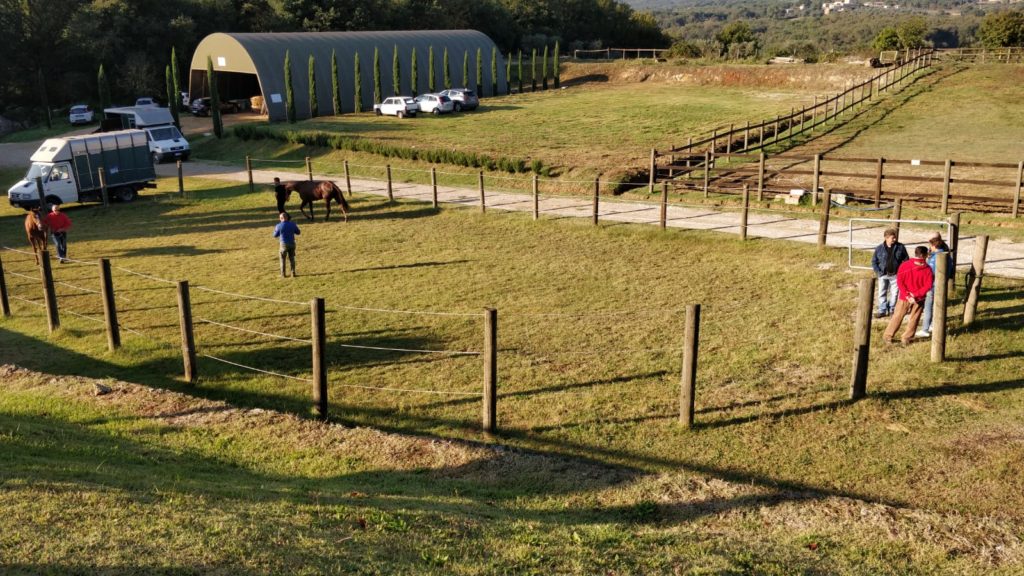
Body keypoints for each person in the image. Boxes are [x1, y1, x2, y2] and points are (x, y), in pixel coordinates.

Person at [883, 246, 934, 346]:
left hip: (905, 297)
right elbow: (928, 285)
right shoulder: (928, 269)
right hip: (918, 298)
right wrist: (914, 295)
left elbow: (900, 281)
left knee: (897, 316)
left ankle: (888, 336)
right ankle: (906, 338)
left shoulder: (904, 265)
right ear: (924, 255)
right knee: (913, 318)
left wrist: (907, 295)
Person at [916, 231, 953, 338]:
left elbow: (930, 273)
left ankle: (925, 329)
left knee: (928, 308)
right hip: (940, 285)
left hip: (932, 286)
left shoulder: (936, 257)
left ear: (933, 244)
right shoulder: (945, 254)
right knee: (936, 307)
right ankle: (933, 325)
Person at [870, 228, 909, 319]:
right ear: (886, 238)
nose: (895, 239)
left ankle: (892, 310)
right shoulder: (879, 248)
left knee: (895, 293)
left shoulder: (900, 247)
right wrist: (878, 272)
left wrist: (902, 271)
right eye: (892, 238)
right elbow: (874, 261)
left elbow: (906, 260)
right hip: (883, 275)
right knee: (881, 293)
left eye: (895, 238)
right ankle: (882, 310)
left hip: (895, 275)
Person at [273, 211, 300, 277]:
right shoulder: (293, 224)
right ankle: (293, 273)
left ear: (281, 218)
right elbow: (298, 232)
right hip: (292, 243)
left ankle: (283, 274)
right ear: (287, 217)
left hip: (283, 244)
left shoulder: (278, 226)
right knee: (292, 258)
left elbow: (275, 235)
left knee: (282, 259)